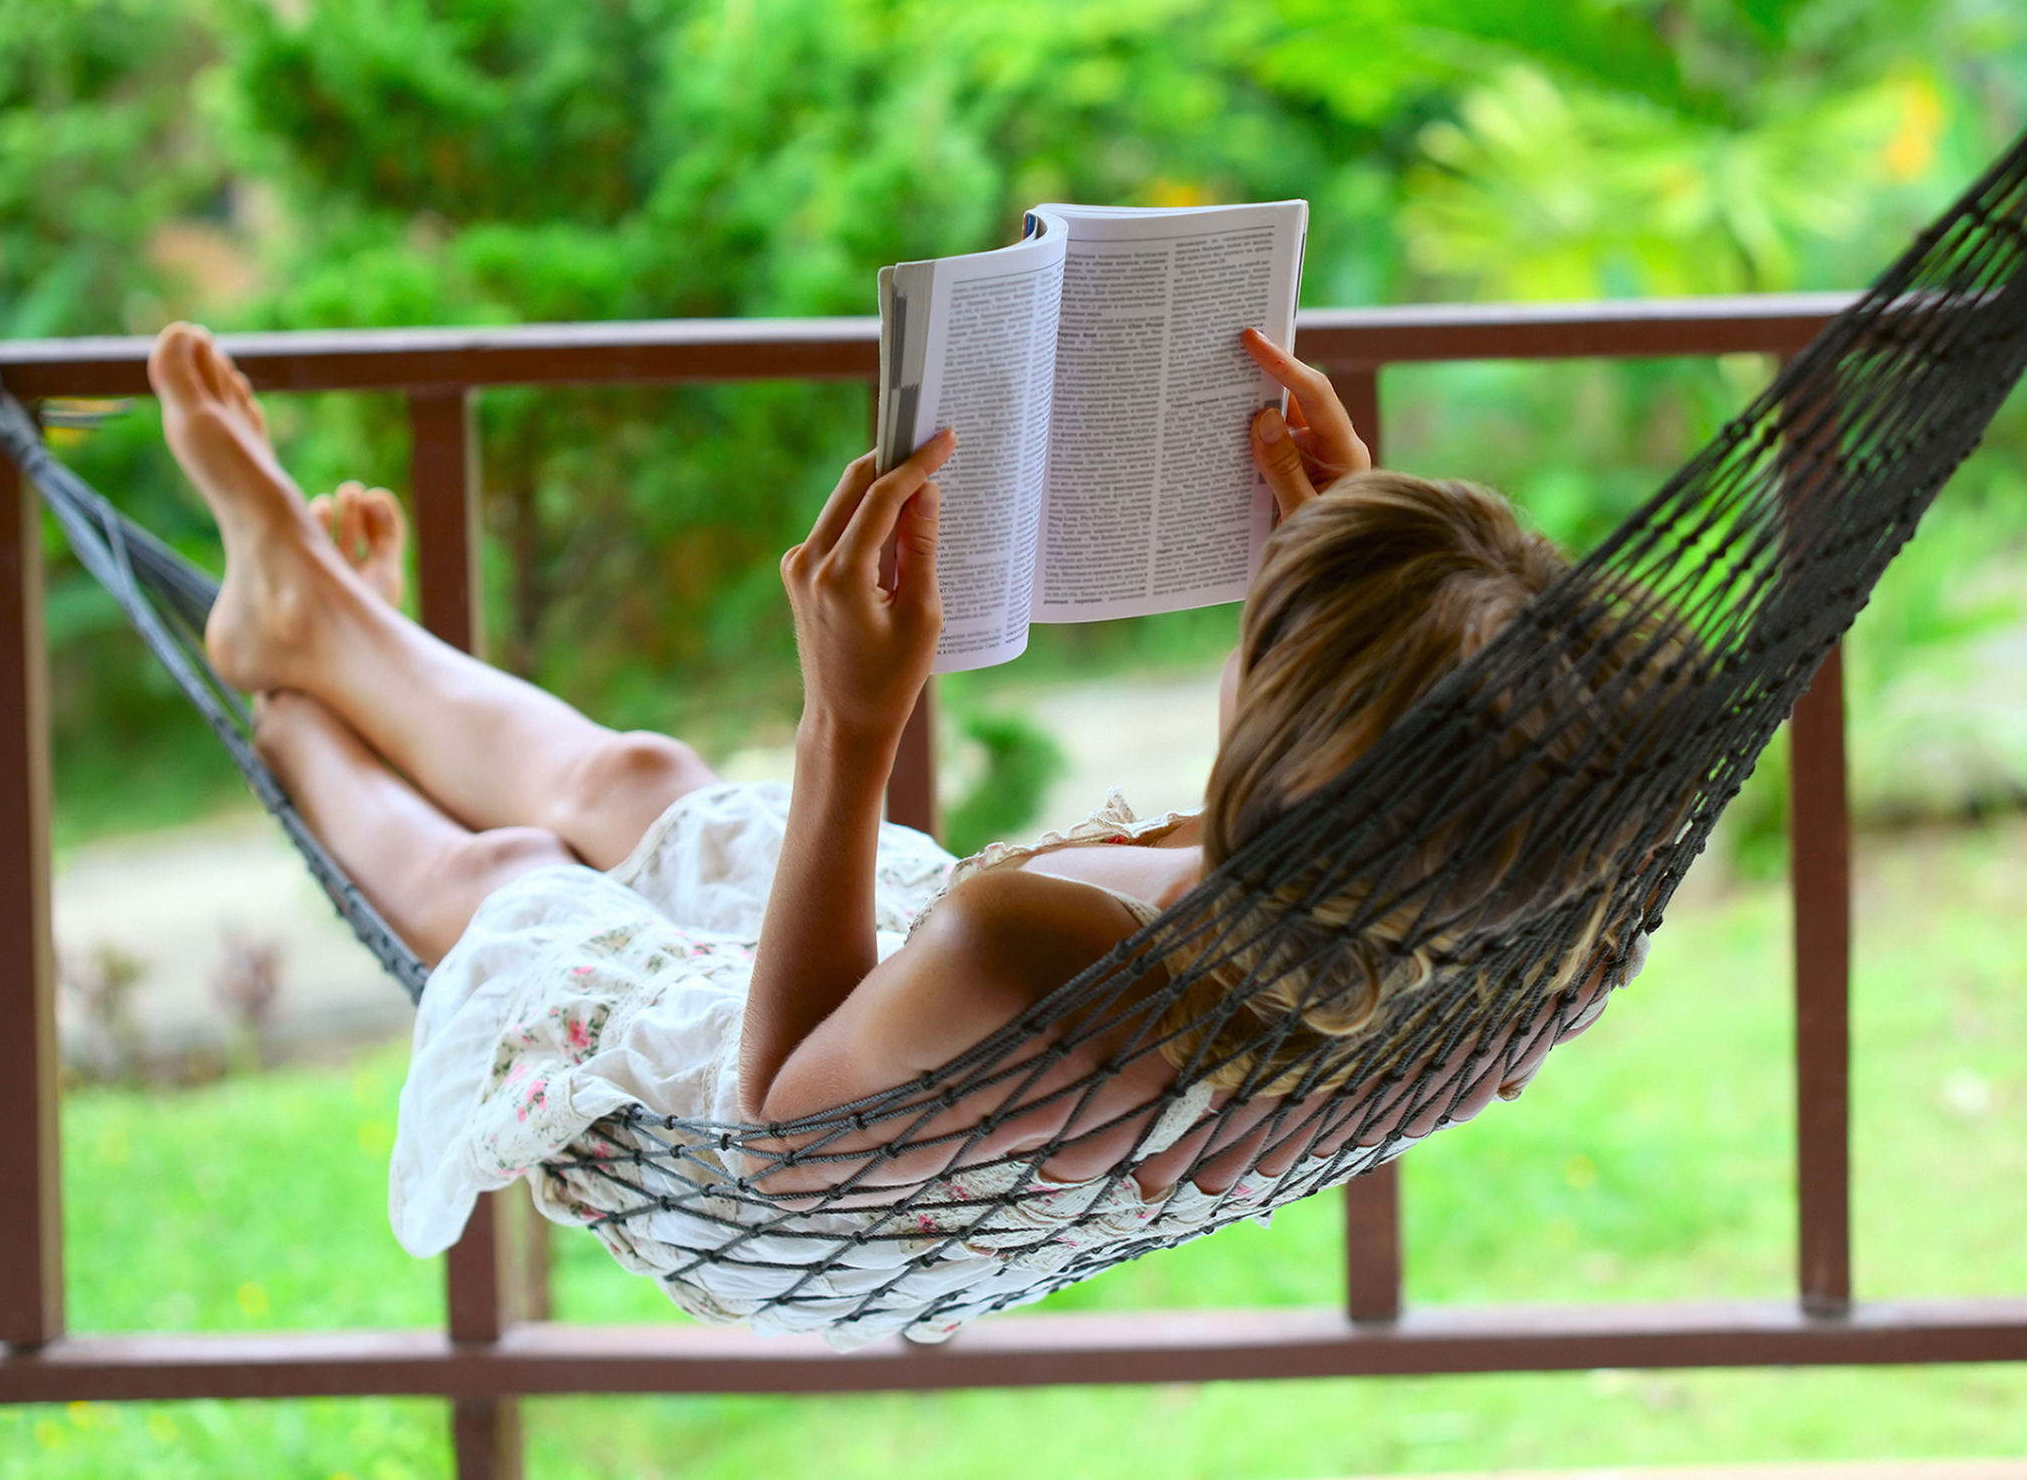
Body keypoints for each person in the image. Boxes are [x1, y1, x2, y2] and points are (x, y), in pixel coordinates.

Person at [148, 317, 1640, 1346]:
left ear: (1302, 730)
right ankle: (327, 624)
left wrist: (846, 728)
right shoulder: (1491, 903)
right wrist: (1363, 570)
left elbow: (784, 1128)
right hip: (939, 1041)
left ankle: (288, 705)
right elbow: (1421, 760)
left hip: (779, 1135)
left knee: (520, 878)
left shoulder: (1037, 936)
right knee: (640, 784)